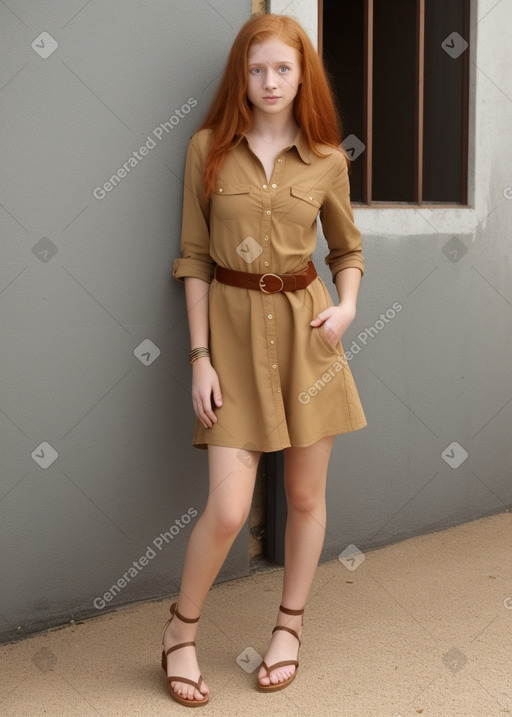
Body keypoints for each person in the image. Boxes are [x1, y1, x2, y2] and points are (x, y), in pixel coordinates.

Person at [163, 12, 367, 707]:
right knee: (227, 510)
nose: (271, 81)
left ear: (301, 74)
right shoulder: (206, 151)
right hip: (231, 336)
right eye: (257, 69)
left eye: (284, 68)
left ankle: (289, 627)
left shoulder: (327, 159)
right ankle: (179, 633)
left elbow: (347, 250)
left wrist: (348, 306)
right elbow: (192, 259)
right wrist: (199, 358)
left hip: (309, 338)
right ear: (241, 77)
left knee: (306, 497)